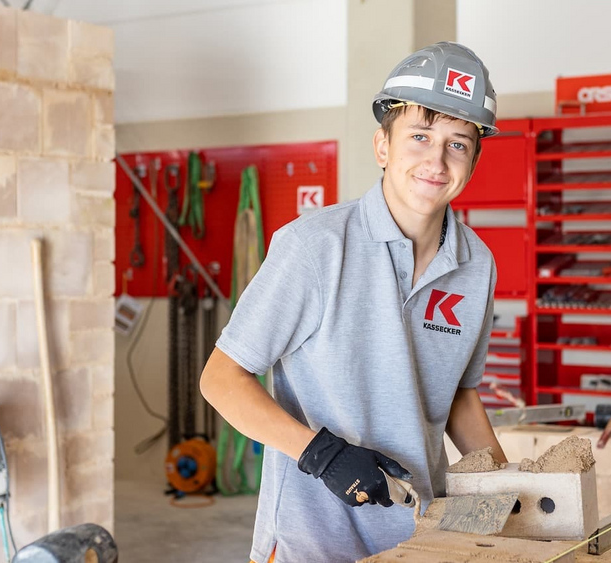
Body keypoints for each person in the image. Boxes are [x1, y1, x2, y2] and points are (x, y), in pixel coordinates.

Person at [199, 41, 507, 563]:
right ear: (382, 147)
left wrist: (506, 487)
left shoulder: (477, 266)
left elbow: (456, 394)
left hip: (418, 536)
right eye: (420, 135)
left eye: (458, 143)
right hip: (310, 539)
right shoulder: (315, 247)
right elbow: (221, 379)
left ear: (473, 163)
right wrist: (320, 454)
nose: (436, 159)